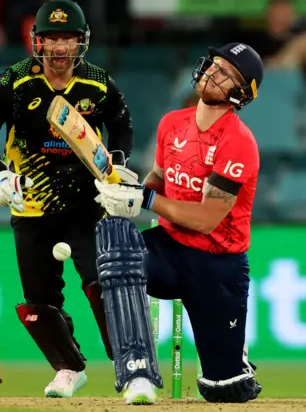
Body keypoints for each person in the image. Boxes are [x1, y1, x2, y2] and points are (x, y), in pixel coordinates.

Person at [0, 0, 135, 398]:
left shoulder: (97, 81)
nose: (60, 48)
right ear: (37, 43)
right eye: (52, 39)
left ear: (82, 42)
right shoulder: (15, 80)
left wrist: (117, 161)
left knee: (103, 284)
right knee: (38, 302)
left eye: (69, 39)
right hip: (31, 205)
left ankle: (129, 365)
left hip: (86, 204)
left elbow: (121, 124)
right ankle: (67, 367)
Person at [92, 43, 264, 404]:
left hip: (218, 265)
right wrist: (125, 187)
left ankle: (235, 362)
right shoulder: (172, 123)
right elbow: (159, 178)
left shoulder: (238, 142)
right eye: (214, 65)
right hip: (168, 248)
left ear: (241, 94)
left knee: (224, 390)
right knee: (116, 249)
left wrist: (145, 199)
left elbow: (206, 218)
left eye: (226, 74)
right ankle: (137, 369)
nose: (212, 73)